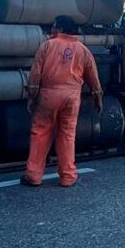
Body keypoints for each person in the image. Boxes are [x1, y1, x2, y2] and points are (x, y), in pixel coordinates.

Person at [21, 16, 103, 187]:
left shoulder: (47, 46)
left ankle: (33, 176)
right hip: (72, 97)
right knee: (67, 135)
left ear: (60, 29)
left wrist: (32, 96)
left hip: (48, 95)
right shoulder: (82, 50)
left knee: (40, 133)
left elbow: (35, 75)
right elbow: (93, 76)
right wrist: (97, 97)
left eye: (53, 27)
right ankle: (68, 176)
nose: (51, 30)